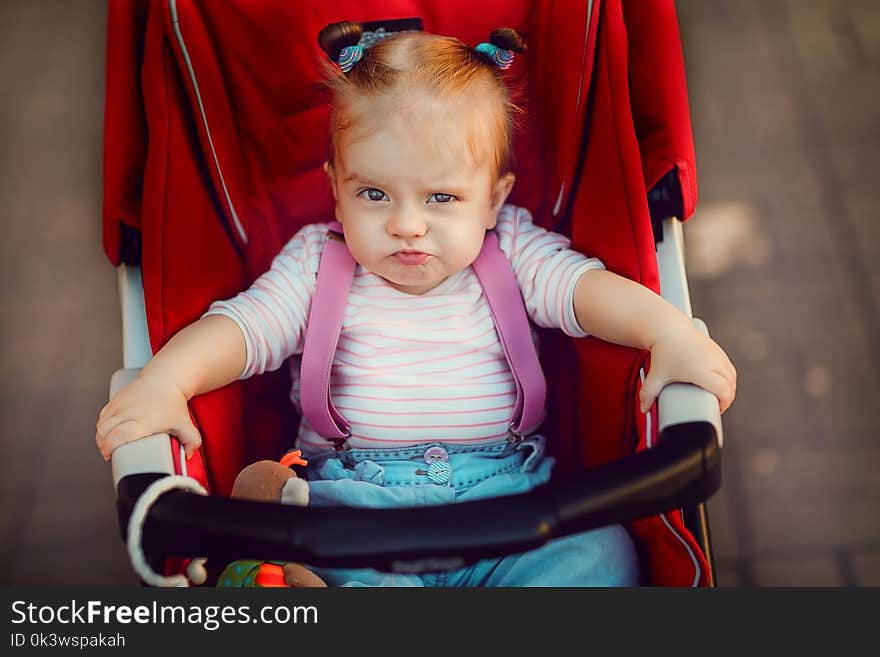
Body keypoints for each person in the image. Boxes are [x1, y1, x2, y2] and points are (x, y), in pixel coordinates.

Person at [96, 23, 736, 587]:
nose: (407, 225)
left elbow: (585, 291)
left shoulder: (510, 248)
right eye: (374, 194)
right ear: (335, 192)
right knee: (315, 576)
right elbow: (239, 331)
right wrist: (164, 382)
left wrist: (667, 331)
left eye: (441, 199)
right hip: (352, 518)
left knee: (600, 556)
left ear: (492, 198)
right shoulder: (318, 262)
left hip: (508, 506)